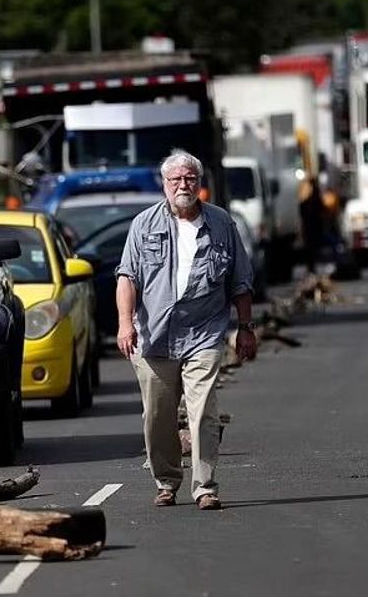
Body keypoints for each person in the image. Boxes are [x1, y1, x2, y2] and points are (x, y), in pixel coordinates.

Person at [116, 150, 257, 511]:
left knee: (204, 410)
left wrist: (245, 327)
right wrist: (124, 324)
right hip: (154, 335)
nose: (183, 185)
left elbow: (240, 281)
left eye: (190, 179)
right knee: (158, 416)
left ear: (200, 183)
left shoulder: (222, 224)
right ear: (164, 184)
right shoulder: (143, 225)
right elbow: (127, 277)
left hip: (204, 334)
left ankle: (205, 486)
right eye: (176, 179)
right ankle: (166, 481)